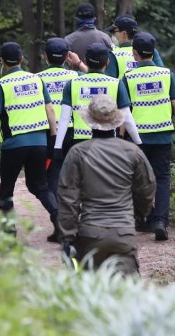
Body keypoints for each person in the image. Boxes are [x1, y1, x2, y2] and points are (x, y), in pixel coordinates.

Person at [57, 94, 156, 275]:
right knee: (124, 295)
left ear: (88, 121)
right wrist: (138, 215)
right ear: (117, 122)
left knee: (90, 294)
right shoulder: (133, 152)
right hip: (124, 233)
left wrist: (67, 236)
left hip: (90, 234)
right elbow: (147, 188)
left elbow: (68, 197)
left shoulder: (77, 153)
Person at [0, 41, 61, 239]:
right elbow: (50, 109)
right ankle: (58, 215)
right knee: (40, 186)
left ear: (1, 61)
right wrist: (53, 137)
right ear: (22, 59)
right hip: (39, 144)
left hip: (14, 145)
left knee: (7, 189)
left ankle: (9, 231)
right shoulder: (36, 80)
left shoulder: (2, 84)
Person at [120, 31, 175, 241]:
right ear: (153, 52)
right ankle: (160, 221)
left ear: (134, 53)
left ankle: (144, 217)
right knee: (163, 177)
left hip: (137, 138)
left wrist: (122, 137)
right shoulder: (167, 74)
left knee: (137, 179)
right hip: (163, 136)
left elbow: (124, 111)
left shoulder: (128, 78)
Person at [53, 42, 141, 156]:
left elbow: (64, 118)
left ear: (85, 60)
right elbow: (127, 118)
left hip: (80, 143)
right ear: (107, 62)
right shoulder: (116, 83)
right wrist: (138, 142)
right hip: (108, 142)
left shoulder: (72, 84)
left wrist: (57, 146)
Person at [36, 37, 83, 242]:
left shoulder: (35, 79)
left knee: (52, 179)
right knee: (77, 178)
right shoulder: (77, 76)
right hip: (75, 132)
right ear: (66, 57)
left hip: (49, 134)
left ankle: (60, 226)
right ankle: (77, 224)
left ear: (45, 56)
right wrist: (79, 63)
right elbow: (100, 79)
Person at [104, 14, 164, 79]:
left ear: (124, 34)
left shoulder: (114, 55)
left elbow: (110, 82)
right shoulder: (149, 50)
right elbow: (161, 74)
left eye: (114, 32)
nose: (113, 35)